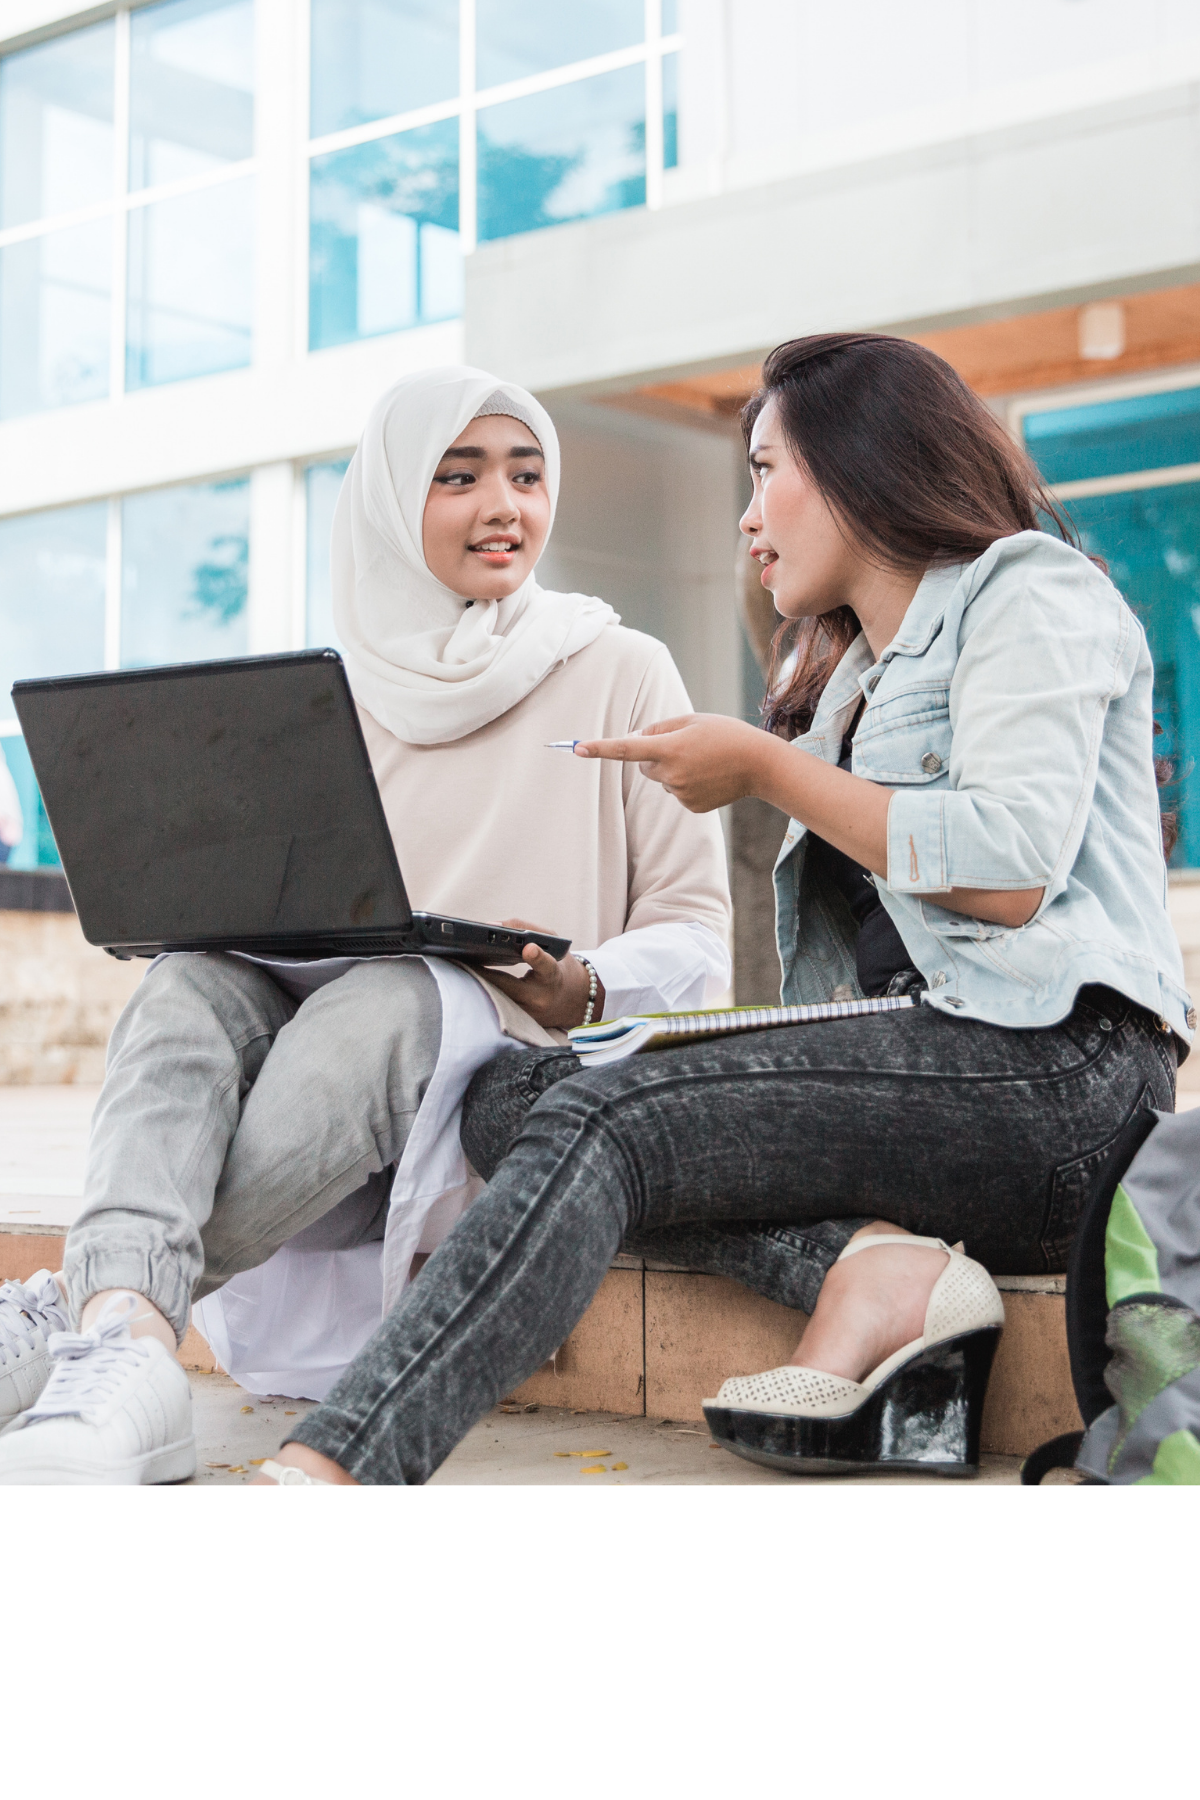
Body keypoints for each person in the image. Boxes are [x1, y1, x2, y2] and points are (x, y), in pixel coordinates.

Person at [239, 331, 1192, 1485]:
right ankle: (872, 1264)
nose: (748, 517)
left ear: (860, 463)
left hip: (1062, 1076)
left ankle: (341, 1463)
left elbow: (1008, 868)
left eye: (764, 469)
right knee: (507, 1094)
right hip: (927, 1071)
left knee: (612, 1117)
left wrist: (763, 766)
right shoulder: (852, 685)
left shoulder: (1029, 588)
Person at [0, 365, 735, 1483]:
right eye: (460, 476)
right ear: (393, 503)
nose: (505, 505)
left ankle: (84, 1312)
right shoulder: (333, 692)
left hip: (488, 1061)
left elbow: (695, 935)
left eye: (527, 475)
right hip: (316, 1064)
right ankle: (134, 1354)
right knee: (189, 979)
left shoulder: (620, 666)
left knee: (400, 993)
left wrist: (582, 979)